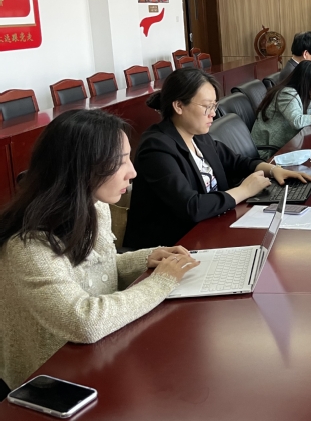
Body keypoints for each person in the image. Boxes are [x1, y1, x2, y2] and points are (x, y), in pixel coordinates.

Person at [0, 109, 201, 392]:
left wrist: (146, 258)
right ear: (81, 167)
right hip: (48, 380)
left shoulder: (95, 205)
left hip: (101, 353)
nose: (132, 172)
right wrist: (161, 282)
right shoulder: (29, 246)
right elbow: (84, 322)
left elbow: (98, 268)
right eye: (120, 161)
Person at [124, 68, 311, 249]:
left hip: (211, 227)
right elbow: (191, 206)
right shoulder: (156, 148)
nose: (213, 113)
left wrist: (273, 169)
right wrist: (244, 190)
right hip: (175, 246)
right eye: (207, 106)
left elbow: (236, 161)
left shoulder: (198, 135)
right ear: (179, 106)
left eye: (214, 106)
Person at [251, 60, 311, 160]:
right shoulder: (287, 94)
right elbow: (297, 121)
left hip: (289, 145)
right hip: (270, 152)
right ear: (305, 82)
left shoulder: (303, 94)